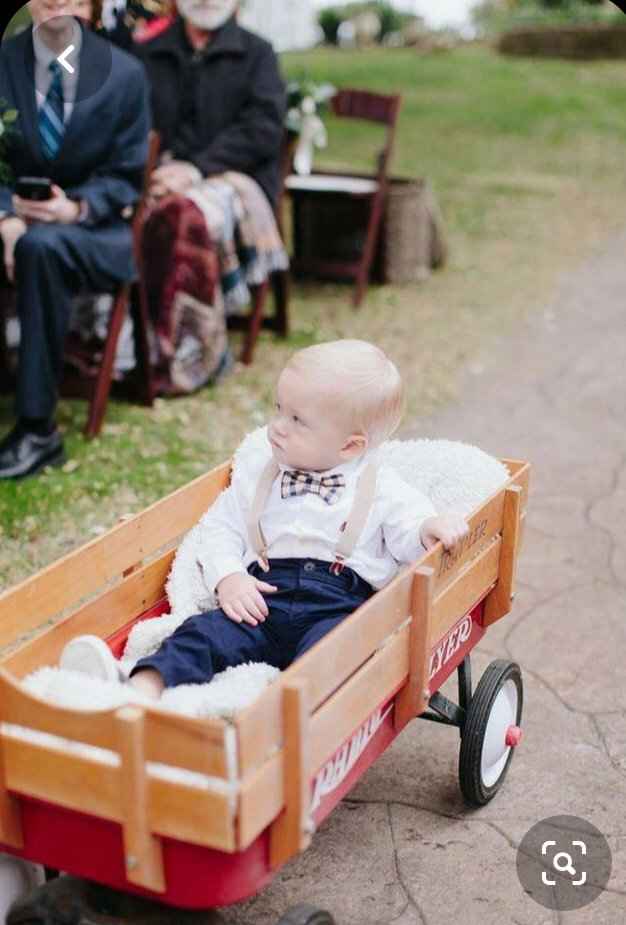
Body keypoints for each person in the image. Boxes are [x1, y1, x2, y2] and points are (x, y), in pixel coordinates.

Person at [59, 340, 470, 697]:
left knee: (335, 656)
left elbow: (406, 527)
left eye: (297, 421)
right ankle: (138, 688)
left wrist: (427, 527)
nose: (277, 428)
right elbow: (219, 528)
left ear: (349, 446)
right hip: (261, 599)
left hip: (334, 606)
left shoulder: (378, 485)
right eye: (278, 410)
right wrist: (228, 577)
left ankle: (286, 719)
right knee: (202, 634)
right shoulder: (260, 474)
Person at [0, 0, 151, 479]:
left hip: (93, 233)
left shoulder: (125, 74)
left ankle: (38, 430)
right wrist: (5, 214)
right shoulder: (3, 62)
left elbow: (128, 176)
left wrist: (74, 208)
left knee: (40, 248)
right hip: (11, 222)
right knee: (29, 241)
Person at [133, 0, 288, 395]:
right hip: (157, 174)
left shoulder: (258, 53)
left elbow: (263, 131)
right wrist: (151, 172)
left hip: (233, 178)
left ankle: (191, 349)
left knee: (184, 214)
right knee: (122, 207)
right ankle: (122, 344)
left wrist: (194, 169)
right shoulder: (149, 52)